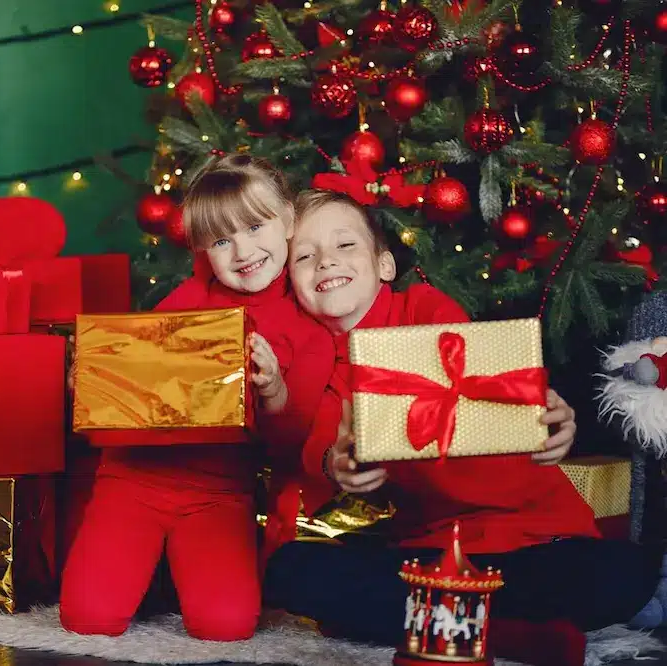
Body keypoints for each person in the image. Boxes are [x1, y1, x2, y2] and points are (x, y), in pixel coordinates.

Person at [262, 189, 663, 646]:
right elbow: (323, 448)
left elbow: (490, 376)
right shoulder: (322, 367)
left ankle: (452, 624)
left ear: (385, 266)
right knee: (291, 570)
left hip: (535, 538)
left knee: (615, 572)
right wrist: (340, 462)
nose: (327, 262)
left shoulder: (424, 309)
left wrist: (547, 416)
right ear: (291, 284)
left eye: (345, 245)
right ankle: (508, 633)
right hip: (434, 552)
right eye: (305, 256)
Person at [59, 155, 323, 641]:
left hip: (219, 495)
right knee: (87, 618)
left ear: (288, 219)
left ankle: (167, 576)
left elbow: (295, 441)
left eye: (254, 226)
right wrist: (93, 382)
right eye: (222, 240)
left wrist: (275, 392)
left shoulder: (309, 323)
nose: (242, 250)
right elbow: (129, 380)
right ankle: (142, 572)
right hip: (132, 479)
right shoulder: (187, 297)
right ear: (203, 247)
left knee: (225, 625)